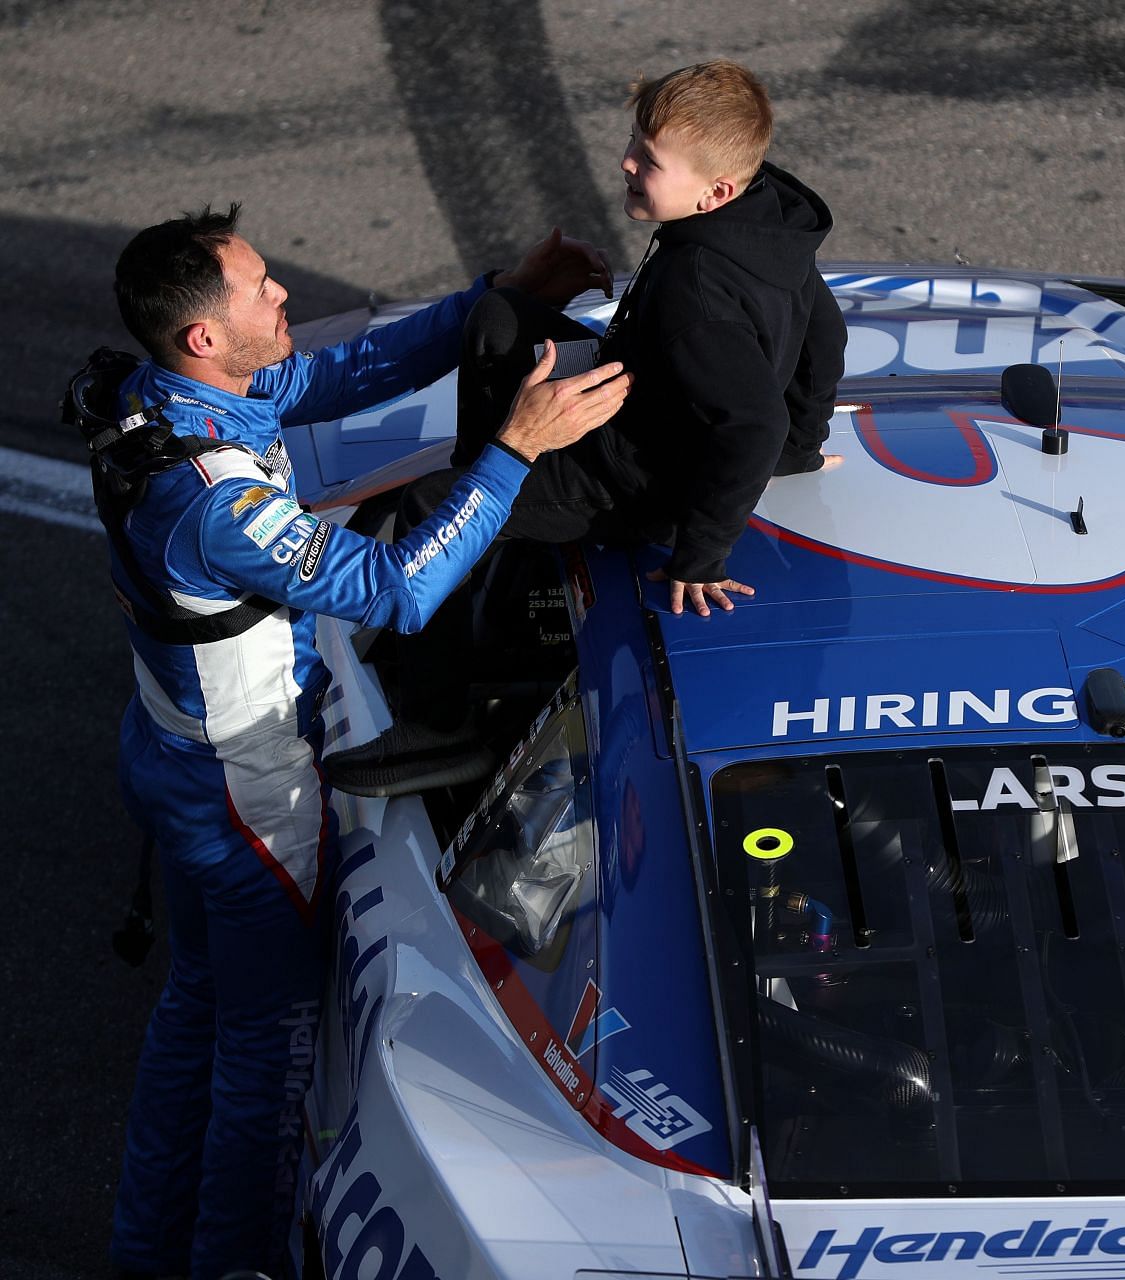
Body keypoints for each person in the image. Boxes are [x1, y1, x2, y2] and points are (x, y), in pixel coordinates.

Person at [91, 203, 631, 1280]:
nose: (282, 293)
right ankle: (233, 1264)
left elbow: (333, 375)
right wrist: (515, 451)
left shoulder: (166, 393)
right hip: (240, 797)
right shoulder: (217, 506)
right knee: (265, 1051)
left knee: (198, 1004)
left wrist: (501, 300)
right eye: (260, 290)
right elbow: (399, 586)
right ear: (205, 334)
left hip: (173, 750)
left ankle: (142, 1252)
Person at [328, 59, 847, 792]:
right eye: (634, 142)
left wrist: (702, 555)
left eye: (650, 160)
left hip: (626, 479)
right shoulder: (770, 224)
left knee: (429, 508)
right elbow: (823, 334)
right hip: (630, 403)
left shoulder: (694, 294)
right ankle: (491, 538)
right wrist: (805, 445)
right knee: (498, 319)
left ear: (715, 190)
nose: (627, 164)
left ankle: (440, 731)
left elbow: (751, 424)